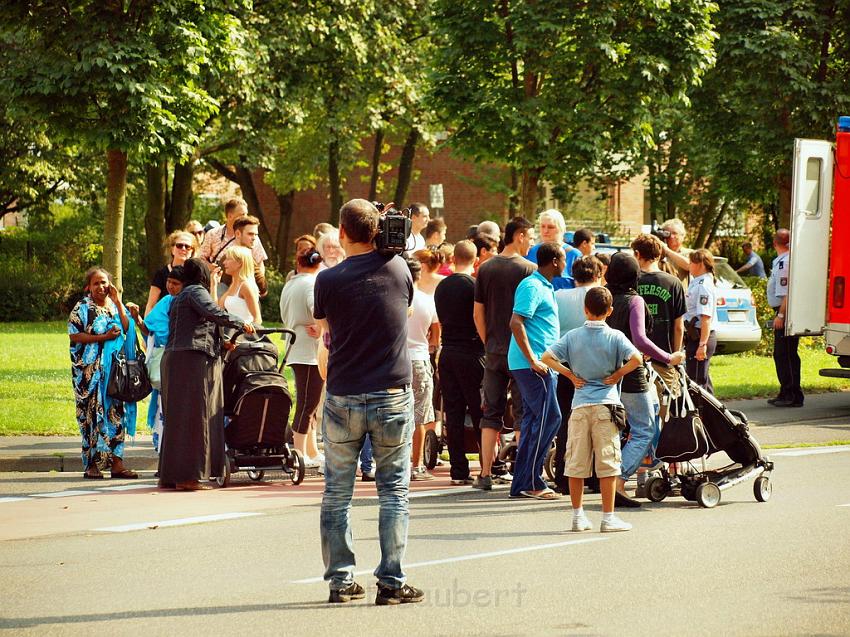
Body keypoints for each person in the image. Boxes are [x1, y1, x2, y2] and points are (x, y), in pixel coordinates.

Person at [313, 199, 423, 606]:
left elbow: (326, 327)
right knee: (393, 491)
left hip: (343, 391)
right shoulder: (396, 269)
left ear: (341, 233)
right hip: (391, 392)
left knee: (336, 493)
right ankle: (391, 581)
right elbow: (405, 309)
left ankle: (341, 581)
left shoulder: (327, 280)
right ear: (377, 231)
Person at [540, 286, 643, 533]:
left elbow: (546, 356)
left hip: (580, 404)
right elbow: (637, 359)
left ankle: (578, 515)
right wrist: (617, 373)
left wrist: (569, 374)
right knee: (608, 462)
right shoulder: (616, 337)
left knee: (576, 462)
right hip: (606, 404)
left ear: (585, 310)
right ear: (609, 311)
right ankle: (608, 517)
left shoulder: (573, 336)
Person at [159, 258, 254, 491]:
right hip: (193, 360)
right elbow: (214, 313)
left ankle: (172, 475)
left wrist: (222, 344)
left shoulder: (180, 297)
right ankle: (190, 477)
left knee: (178, 419)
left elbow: (195, 326)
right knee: (196, 416)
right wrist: (241, 323)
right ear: (201, 274)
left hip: (175, 359)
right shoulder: (195, 291)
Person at [606, 252, 685, 507]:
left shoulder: (604, 296)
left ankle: (647, 472)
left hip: (606, 371)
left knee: (642, 418)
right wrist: (668, 357)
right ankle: (619, 479)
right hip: (631, 371)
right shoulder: (634, 301)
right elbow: (640, 339)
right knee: (644, 429)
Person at [473, 217, 536, 490]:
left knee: (491, 413)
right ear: (519, 235)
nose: (531, 242)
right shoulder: (529, 269)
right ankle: (520, 472)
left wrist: (489, 341)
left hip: (494, 350)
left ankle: (485, 473)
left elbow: (478, 312)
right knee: (522, 413)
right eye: (530, 237)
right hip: (520, 351)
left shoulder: (486, 268)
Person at [68, 267, 139, 480]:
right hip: (88, 376)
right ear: (88, 287)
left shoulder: (113, 306)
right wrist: (104, 337)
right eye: (96, 283)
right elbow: (75, 337)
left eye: (104, 282)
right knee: (91, 418)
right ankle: (92, 465)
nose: (101, 287)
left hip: (114, 373)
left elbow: (127, 329)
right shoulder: (81, 307)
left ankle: (117, 464)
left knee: (116, 415)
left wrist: (118, 302)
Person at [508, 242, 565, 500]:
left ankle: (523, 481)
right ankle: (532, 481)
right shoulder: (531, 285)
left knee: (535, 422)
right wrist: (533, 360)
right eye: (564, 258)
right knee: (549, 418)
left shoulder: (545, 286)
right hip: (533, 366)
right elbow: (516, 322)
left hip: (540, 364)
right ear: (554, 260)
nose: (567, 263)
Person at [551, 255, 603, 493]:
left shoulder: (558, 296)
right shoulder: (602, 296)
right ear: (598, 273)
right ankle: (592, 476)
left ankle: (564, 475)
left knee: (567, 421)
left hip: (564, 363)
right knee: (594, 420)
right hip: (595, 365)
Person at [434, 240, 484, 486]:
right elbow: (479, 317)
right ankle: (486, 465)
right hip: (471, 351)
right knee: (479, 410)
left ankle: (458, 469)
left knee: (452, 412)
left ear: (453, 259)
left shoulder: (441, 287)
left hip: (448, 351)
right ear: (476, 261)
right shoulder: (474, 286)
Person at [128, 266, 185, 454]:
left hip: (182, 364)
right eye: (168, 281)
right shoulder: (165, 302)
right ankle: (163, 452)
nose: (170, 286)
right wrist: (137, 319)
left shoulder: (188, 303)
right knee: (162, 412)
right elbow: (149, 330)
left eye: (175, 283)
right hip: (163, 364)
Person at [279, 248, 325, 466]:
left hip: (296, 346)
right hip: (308, 351)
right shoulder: (311, 284)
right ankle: (299, 452)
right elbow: (317, 308)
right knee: (308, 403)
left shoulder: (291, 283)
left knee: (309, 403)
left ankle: (310, 450)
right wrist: (321, 326)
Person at [406, 257, 440, 481]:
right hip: (419, 357)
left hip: (393, 360)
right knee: (419, 415)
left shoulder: (395, 300)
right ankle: (415, 465)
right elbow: (435, 335)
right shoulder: (427, 301)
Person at [767, 229, 803, 407]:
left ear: (775, 244)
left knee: (785, 354)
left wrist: (781, 315)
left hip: (785, 312)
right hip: (785, 311)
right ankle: (787, 392)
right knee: (784, 354)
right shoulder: (784, 261)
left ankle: (791, 394)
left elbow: (786, 293)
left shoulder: (784, 263)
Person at [199, 197, 268, 273]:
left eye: (246, 214)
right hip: (217, 281)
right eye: (242, 214)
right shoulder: (213, 234)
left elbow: (260, 264)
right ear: (230, 216)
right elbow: (200, 259)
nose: (245, 218)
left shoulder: (252, 235)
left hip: (242, 281)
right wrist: (210, 267)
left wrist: (259, 282)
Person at [684, 249, 718, 394]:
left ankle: (701, 414)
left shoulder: (703, 285)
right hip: (694, 335)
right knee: (702, 379)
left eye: (691, 262)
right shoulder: (697, 281)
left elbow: (705, 318)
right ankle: (714, 414)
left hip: (699, 336)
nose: (689, 265)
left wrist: (702, 345)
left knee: (697, 383)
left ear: (700, 264)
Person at [144, 230, 196, 316]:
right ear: (172, 250)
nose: (183, 249)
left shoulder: (194, 275)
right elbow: (151, 304)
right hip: (164, 322)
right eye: (179, 245)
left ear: (192, 252)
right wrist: (146, 327)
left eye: (187, 247)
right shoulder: (161, 274)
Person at [526, 209, 579, 290]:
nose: (545, 231)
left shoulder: (574, 255)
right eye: (543, 226)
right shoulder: (531, 252)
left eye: (551, 227)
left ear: (561, 229)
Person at [212, 245, 262, 324]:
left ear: (239, 263)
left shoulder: (245, 286)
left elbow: (257, 319)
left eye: (228, 259)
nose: (224, 262)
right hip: (232, 333)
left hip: (241, 334)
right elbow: (217, 310)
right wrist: (214, 285)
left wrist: (246, 334)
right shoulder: (234, 284)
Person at [231, 215, 268, 297]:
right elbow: (263, 291)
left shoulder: (227, 257)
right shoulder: (235, 258)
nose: (254, 238)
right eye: (250, 234)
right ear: (238, 233)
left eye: (256, 235)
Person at [658, 218, 692, 284]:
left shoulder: (689, 253)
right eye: (668, 233)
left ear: (683, 236)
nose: (671, 236)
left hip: (680, 292)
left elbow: (689, 265)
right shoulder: (658, 253)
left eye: (675, 233)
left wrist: (667, 251)